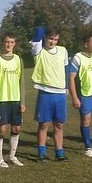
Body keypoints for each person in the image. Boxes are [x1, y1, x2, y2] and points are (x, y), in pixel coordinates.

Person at [31, 25, 69, 162]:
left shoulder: (63, 51)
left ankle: (59, 153)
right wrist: (45, 26)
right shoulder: (39, 51)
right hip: (45, 93)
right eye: (50, 39)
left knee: (59, 124)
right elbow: (37, 34)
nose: (53, 42)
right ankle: (41, 153)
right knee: (44, 124)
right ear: (45, 38)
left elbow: (66, 69)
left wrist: (67, 86)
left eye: (56, 39)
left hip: (60, 94)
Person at [0, 33, 26, 167]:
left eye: (11, 42)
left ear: (14, 44)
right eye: (6, 42)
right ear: (2, 43)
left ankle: (12, 156)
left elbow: (22, 82)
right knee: (2, 129)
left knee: (16, 128)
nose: (9, 45)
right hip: (2, 100)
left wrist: (22, 101)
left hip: (15, 100)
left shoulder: (18, 60)